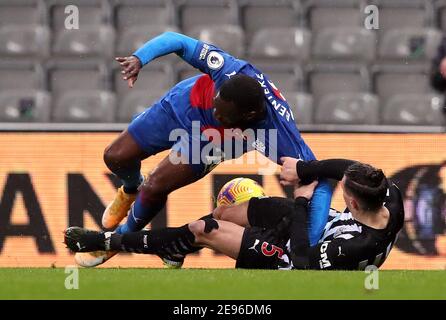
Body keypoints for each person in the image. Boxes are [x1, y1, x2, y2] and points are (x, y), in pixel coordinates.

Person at [75, 32, 332, 267]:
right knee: (115, 157)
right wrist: (139, 58)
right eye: (215, 103)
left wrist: (309, 243)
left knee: (155, 185)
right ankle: (130, 189)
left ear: (249, 115)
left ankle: (114, 241)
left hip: (211, 142)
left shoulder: (279, 135)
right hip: (181, 107)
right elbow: (177, 40)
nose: (215, 111)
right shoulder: (228, 69)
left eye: (222, 113)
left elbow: (322, 180)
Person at [65, 158, 404, 270]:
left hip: (292, 257)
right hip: (321, 224)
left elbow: (302, 257)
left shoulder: (356, 246)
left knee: (203, 228)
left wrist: (302, 200)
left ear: (355, 204)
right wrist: (305, 167)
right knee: (226, 212)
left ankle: (108, 240)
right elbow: (347, 167)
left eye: (343, 188)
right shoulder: (386, 194)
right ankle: (174, 247)